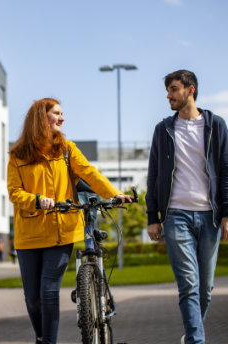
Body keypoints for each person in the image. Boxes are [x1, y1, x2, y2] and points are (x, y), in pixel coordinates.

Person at [7, 98, 133, 344]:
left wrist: (113, 194)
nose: (62, 118)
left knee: (48, 291)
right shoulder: (18, 155)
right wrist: (36, 199)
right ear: (41, 118)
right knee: (32, 297)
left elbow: (89, 173)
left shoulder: (66, 149)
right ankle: (42, 337)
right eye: (57, 113)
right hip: (29, 234)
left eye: (62, 113)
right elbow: (14, 192)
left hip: (61, 231)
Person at [146, 70, 228, 344]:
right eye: (168, 90)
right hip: (176, 216)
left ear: (190, 90)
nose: (169, 95)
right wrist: (153, 216)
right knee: (188, 286)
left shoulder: (215, 125)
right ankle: (197, 340)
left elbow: (226, 170)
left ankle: (191, 334)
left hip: (210, 216)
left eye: (173, 89)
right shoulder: (163, 130)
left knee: (205, 288)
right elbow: (153, 175)